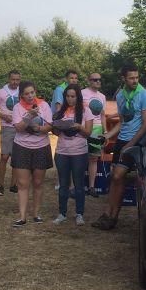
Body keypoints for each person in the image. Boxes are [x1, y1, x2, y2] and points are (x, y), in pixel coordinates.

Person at [92, 64, 146, 230]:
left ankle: (111, 217)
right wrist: (108, 135)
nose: (135, 80)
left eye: (136, 77)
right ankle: (109, 216)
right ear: (123, 79)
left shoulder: (144, 95)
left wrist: (131, 145)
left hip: (136, 142)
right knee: (115, 178)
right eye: (131, 78)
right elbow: (123, 121)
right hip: (122, 140)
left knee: (118, 176)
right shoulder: (120, 95)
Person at [11, 80, 53, 227]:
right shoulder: (17, 108)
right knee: (22, 183)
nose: (30, 96)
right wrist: (29, 116)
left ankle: (36, 214)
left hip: (41, 147)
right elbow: (18, 128)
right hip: (22, 147)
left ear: (35, 91)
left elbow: (49, 126)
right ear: (21, 95)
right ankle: (22, 217)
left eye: (32, 92)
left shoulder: (44, 105)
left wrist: (39, 129)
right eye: (26, 94)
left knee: (38, 182)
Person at [52, 85, 93, 226]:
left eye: (73, 96)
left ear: (78, 97)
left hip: (79, 152)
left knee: (79, 184)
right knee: (63, 184)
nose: (70, 99)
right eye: (68, 96)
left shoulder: (86, 110)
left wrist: (79, 127)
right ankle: (62, 213)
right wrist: (56, 126)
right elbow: (56, 133)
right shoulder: (60, 111)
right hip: (62, 151)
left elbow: (88, 133)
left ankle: (79, 214)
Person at [0, 70, 21, 196]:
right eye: (13, 79)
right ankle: (0, 185)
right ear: (9, 79)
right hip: (7, 127)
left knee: (16, 158)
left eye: (17, 80)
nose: (15, 82)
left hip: (19, 128)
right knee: (4, 156)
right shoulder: (1, 92)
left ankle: (14, 184)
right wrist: (3, 115)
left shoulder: (22, 91)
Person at [81, 73, 107, 196]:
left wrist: (105, 131)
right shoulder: (82, 93)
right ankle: (74, 186)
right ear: (89, 81)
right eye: (95, 80)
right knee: (78, 157)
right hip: (83, 127)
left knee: (93, 158)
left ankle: (91, 187)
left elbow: (102, 115)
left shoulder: (102, 96)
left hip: (96, 129)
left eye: (99, 80)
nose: (98, 82)